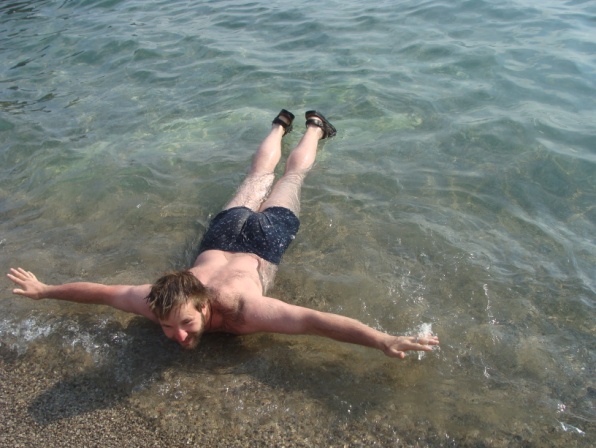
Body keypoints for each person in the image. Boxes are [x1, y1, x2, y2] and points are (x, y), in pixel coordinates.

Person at [7, 109, 439, 359]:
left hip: (263, 238)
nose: (178, 335)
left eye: (184, 323)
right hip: (224, 234)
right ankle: (295, 124)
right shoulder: (159, 302)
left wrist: (380, 340)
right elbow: (101, 293)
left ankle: (308, 126)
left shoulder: (244, 310)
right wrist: (45, 292)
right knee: (264, 176)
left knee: (286, 177)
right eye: (169, 327)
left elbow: (314, 322)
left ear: (203, 303)